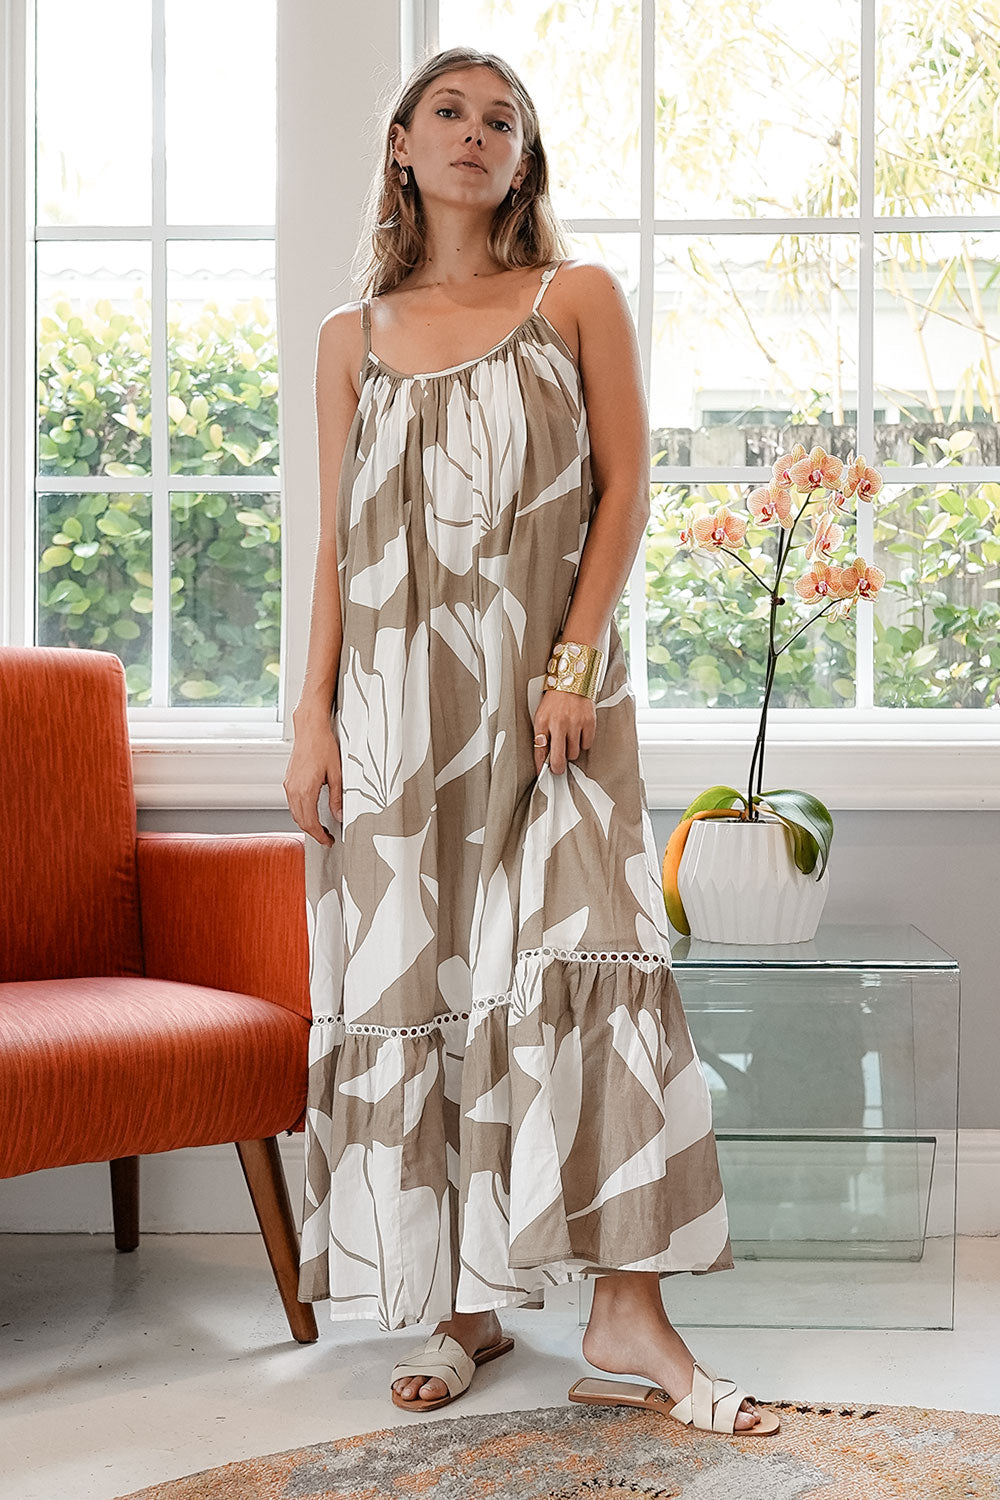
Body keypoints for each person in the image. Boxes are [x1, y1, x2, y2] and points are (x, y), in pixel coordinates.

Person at [282, 45, 776, 1438]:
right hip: (390, 720)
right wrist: (312, 716)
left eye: (503, 120)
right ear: (400, 143)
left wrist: (572, 660)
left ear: (523, 158)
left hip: (553, 711)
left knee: (585, 970)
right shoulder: (350, 337)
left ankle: (628, 1308)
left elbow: (626, 497)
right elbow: (335, 548)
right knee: (429, 982)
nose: (476, 133)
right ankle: (462, 1302)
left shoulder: (578, 300)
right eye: (450, 110)